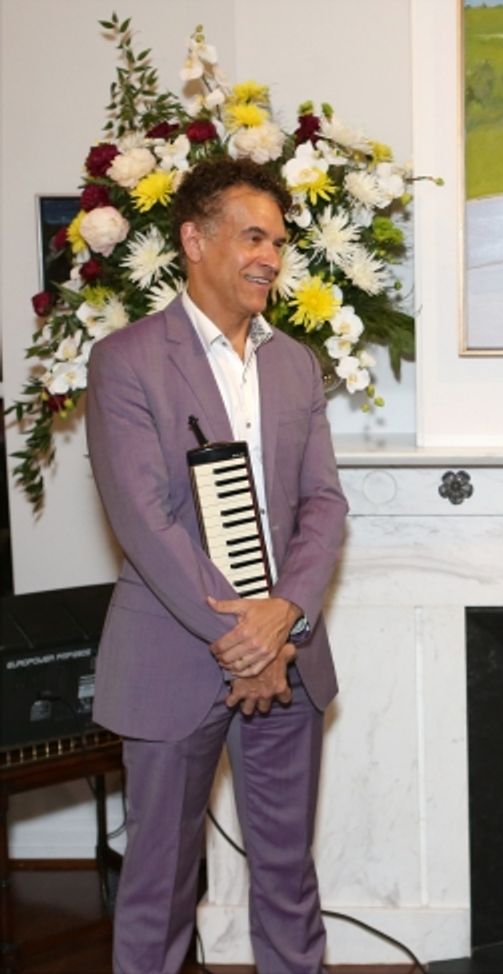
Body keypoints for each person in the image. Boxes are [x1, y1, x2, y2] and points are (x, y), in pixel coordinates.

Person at [85, 158, 349, 973]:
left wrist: (283, 617)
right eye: (253, 237)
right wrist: (246, 639)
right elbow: (146, 521)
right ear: (194, 240)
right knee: (159, 888)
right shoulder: (126, 359)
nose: (270, 257)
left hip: (289, 656)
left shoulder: (295, 363)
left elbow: (324, 505)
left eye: (278, 241)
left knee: (288, 880)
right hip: (173, 658)